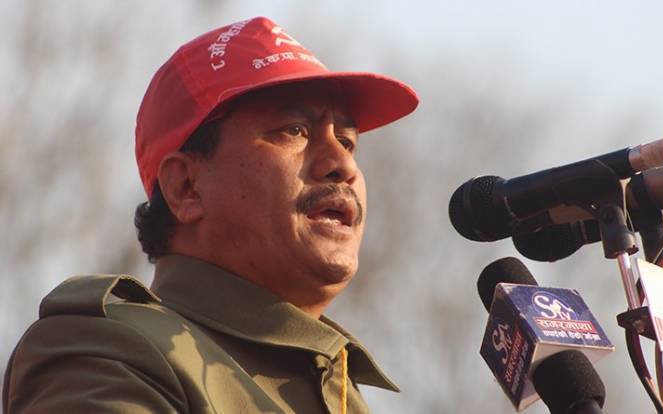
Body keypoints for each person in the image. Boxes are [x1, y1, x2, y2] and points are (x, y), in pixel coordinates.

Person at [3, 17, 418, 413]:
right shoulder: (107, 350)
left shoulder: (341, 391)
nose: (342, 165)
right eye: (294, 130)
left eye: (346, 141)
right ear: (187, 187)